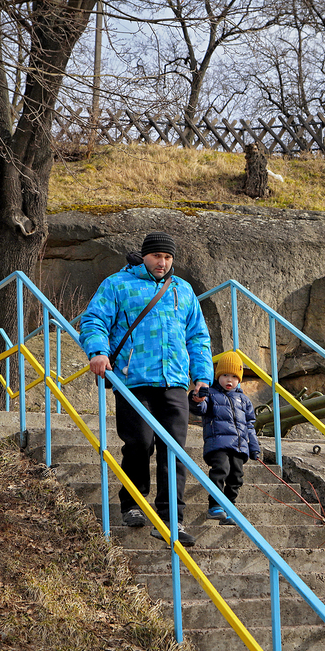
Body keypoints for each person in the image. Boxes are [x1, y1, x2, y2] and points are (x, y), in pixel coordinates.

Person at [78, 231, 212, 546]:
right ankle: (133, 503)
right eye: (157, 256)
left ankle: (171, 519)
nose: (162, 263)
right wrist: (98, 351)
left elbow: (198, 336)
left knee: (174, 450)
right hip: (132, 380)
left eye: (167, 257)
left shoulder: (183, 289)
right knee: (139, 443)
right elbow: (94, 320)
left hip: (174, 382)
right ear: (144, 256)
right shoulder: (117, 284)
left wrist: (202, 376)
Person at [189, 351, 261, 523]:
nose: (229, 380)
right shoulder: (211, 394)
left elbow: (250, 426)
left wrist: (254, 448)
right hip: (218, 444)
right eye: (225, 375)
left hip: (239, 446)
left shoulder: (244, 400)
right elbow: (200, 409)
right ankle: (215, 505)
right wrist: (196, 400)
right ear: (218, 376)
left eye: (234, 376)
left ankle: (230, 508)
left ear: (239, 379)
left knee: (236, 476)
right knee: (221, 470)